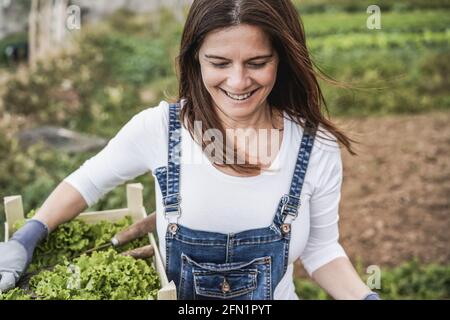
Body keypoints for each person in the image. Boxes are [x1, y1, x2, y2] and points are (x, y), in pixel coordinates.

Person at [0, 0, 380, 300]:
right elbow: (88, 181)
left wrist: (365, 296)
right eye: (219, 62)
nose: (237, 81)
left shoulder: (314, 146)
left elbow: (321, 251)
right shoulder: (160, 129)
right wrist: (29, 235)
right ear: (194, 58)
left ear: (282, 58)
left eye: (257, 63)